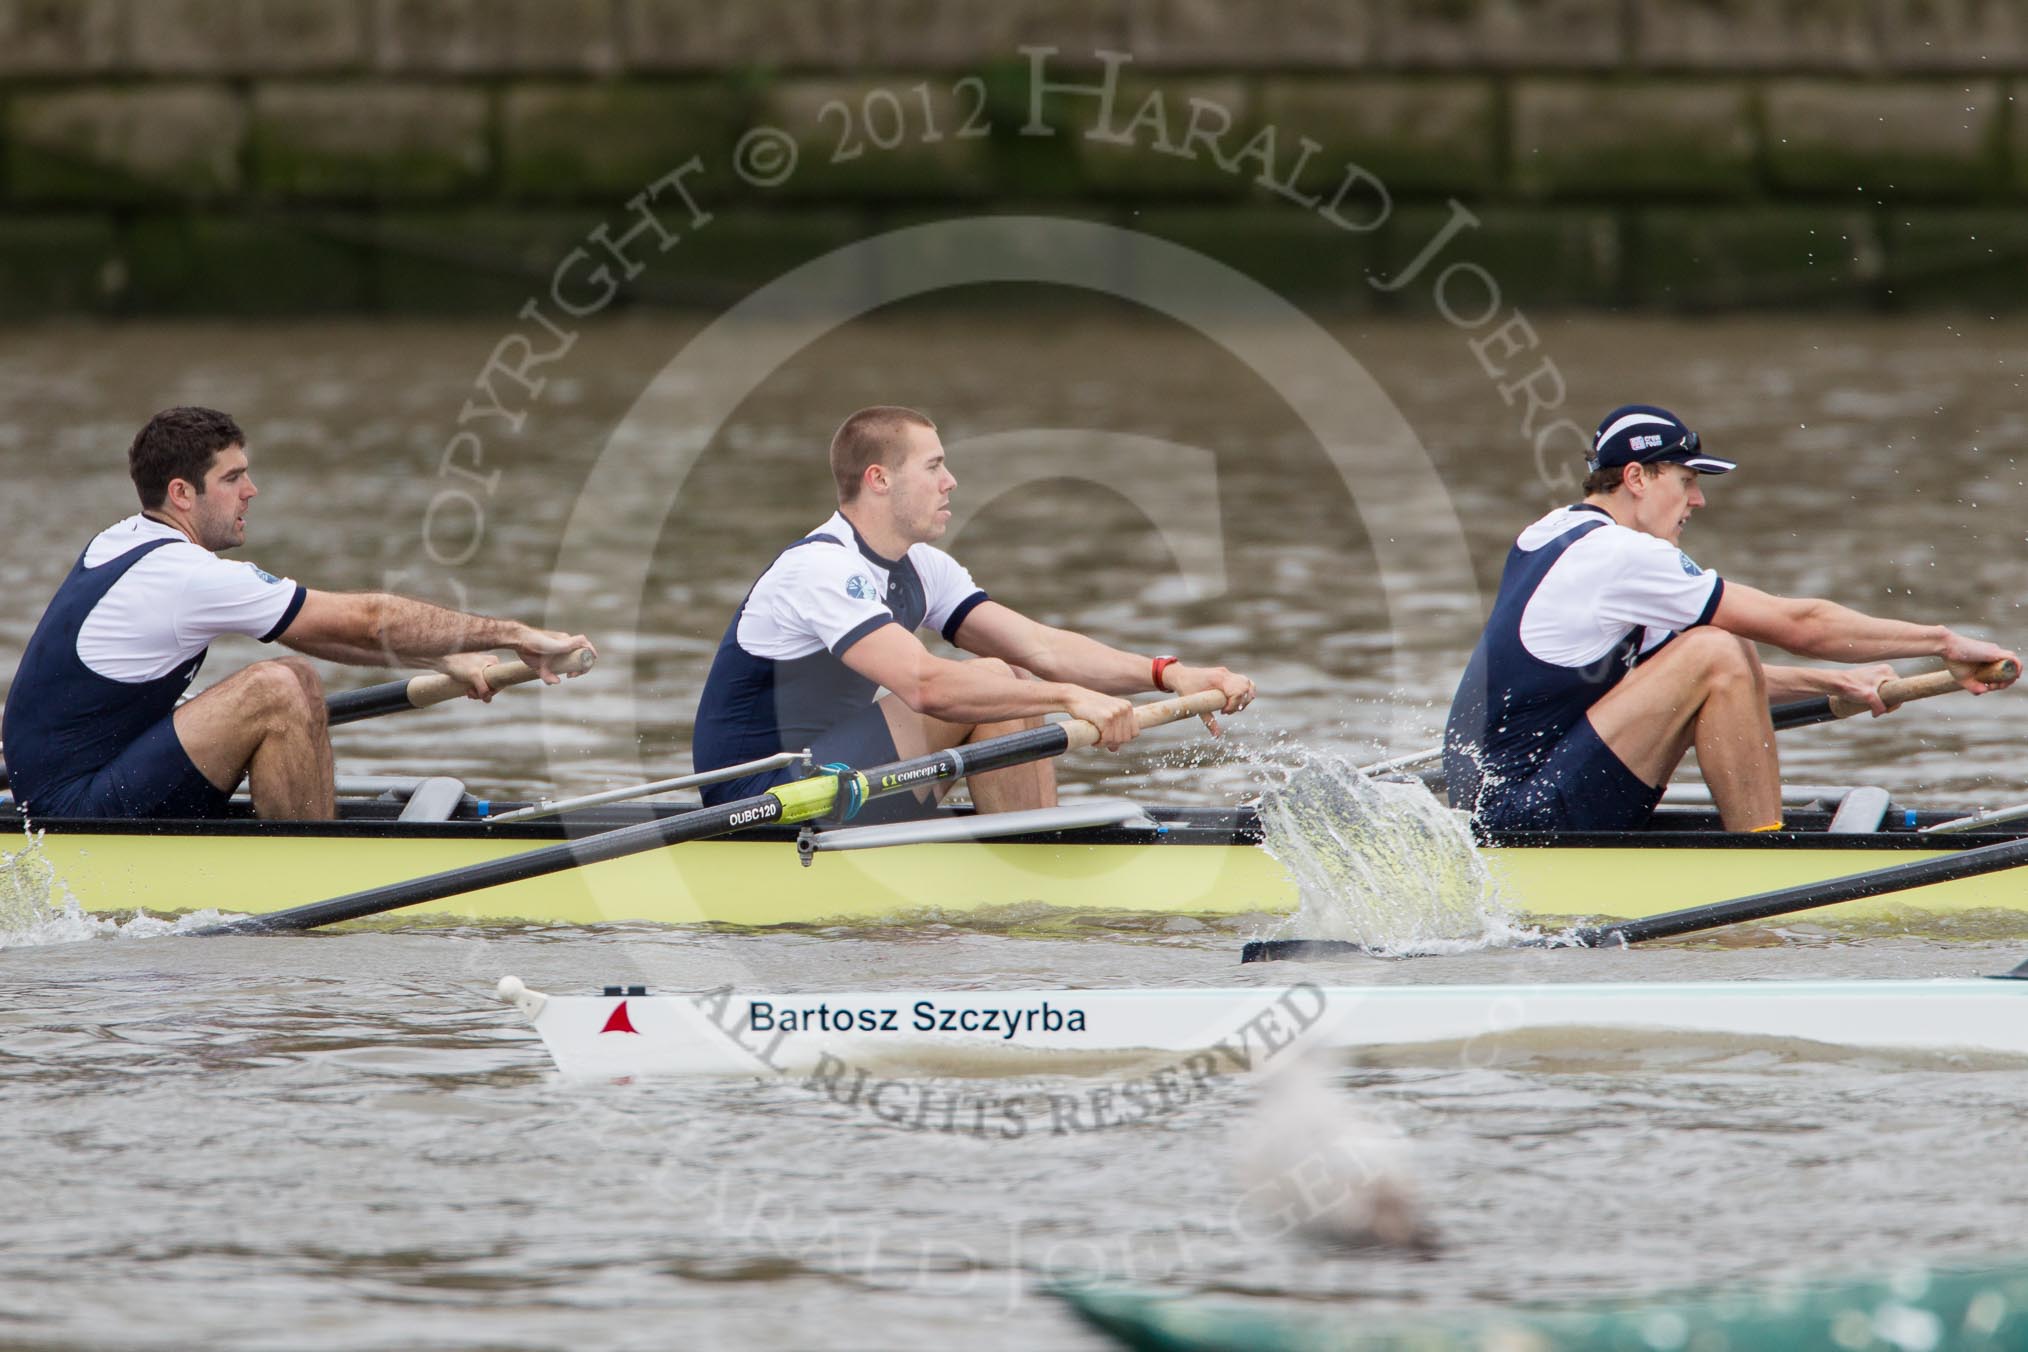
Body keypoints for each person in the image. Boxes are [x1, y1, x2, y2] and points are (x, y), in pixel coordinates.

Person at [1444, 403, 2016, 834]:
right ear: (1637, 478)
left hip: (1503, 803)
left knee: (1714, 649)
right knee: (1717, 647)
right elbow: (1803, 625)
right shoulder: (1623, 556)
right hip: (1523, 819)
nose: (1698, 502)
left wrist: (1834, 683)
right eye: (1687, 481)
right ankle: (1764, 856)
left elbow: (1710, 685)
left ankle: (1758, 841)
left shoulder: (1552, 531)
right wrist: (1940, 641)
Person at [1, 406, 594, 821]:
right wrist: (514, 633)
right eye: (232, 478)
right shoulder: (183, 576)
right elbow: (367, 621)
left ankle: (304, 836)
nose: (251, 490)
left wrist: (445, 654)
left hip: (81, 778)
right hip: (73, 810)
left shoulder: (123, 538)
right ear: (182, 493)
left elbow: (326, 636)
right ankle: (310, 859)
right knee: (276, 690)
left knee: (298, 677)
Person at [691, 405, 1256, 822]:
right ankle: (1036, 870)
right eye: (933, 466)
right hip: (756, 802)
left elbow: (1043, 648)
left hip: (841, 778)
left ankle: (1033, 859)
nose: (950, 481)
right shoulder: (819, 569)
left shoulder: (923, 568)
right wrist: (1065, 697)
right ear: (879, 479)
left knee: (1008, 673)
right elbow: (925, 686)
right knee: (993, 678)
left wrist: (1168, 675)